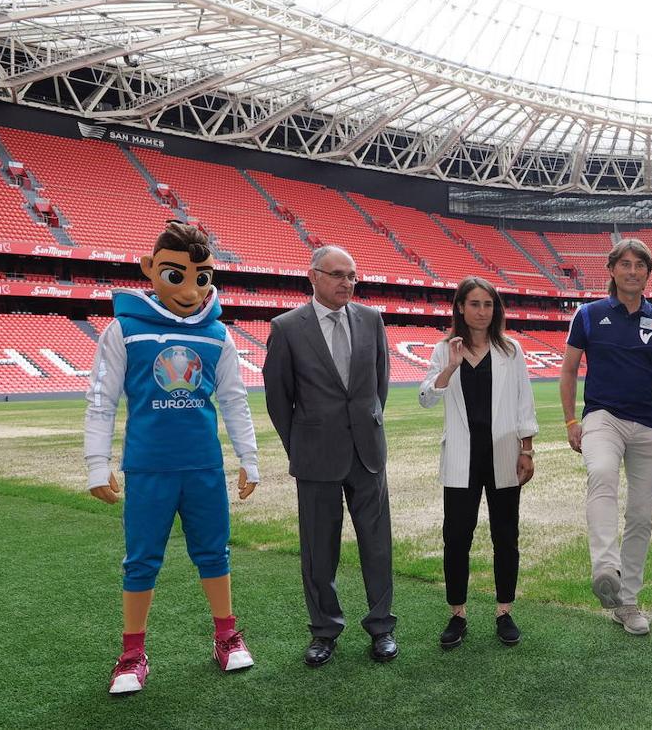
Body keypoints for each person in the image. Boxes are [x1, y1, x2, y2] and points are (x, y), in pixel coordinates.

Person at [84, 220, 259, 694]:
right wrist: (96, 464)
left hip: (203, 466)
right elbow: (101, 399)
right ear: (149, 270)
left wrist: (250, 457)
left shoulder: (217, 334)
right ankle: (131, 654)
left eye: (201, 278)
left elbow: (234, 400)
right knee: (141, 560)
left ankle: (226, 636)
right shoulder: (125, 328)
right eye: (176, 275)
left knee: (213, 553)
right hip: (148, 467)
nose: (191, 288)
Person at [263, 245, 397, 666]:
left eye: (353, 275)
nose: (347, 283)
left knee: (377, 546)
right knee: (319, 551)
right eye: (338, 275)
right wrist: (301, 442)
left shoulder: (371, 320)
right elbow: (278, 399)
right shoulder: (286, 328)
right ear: (314, 277)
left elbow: (380, 385)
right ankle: (324, 630)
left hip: (367, 453)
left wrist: (367, 425)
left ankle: (382, 628)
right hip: (315, 456)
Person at [559, 238, 652, 635]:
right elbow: (568, 370)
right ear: (611, 271)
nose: (632, 271)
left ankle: (627, 603)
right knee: (601, 474)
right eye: (624, 264)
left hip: (648, 425)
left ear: (649, 272)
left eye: (639, 265)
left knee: (641, 516)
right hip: (602, 419)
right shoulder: (589, 315)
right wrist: (569, 422)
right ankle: (604, 569)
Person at [419, 277, 538, 650]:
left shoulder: (510, 349)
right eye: (474, 304)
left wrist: (527, 449)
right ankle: (457, 614)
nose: (482, 311)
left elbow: (524, 401)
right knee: (456, 537)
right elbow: (426, 399)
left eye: (488, 304)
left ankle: (504, 611)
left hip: (502, 455)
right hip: (461, 458)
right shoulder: (444, 349)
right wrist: (450, 366)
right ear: (460, 307)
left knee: (506, 536)